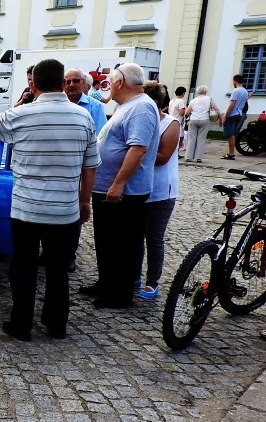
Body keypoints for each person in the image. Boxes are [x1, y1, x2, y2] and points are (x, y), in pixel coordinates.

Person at [0, 58, 100, 341]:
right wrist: (84, 202)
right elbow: (90, 166)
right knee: (59, 269)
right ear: (63, 84)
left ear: (32, 84)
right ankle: (56, 324)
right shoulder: (83, 117)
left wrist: (22, 104)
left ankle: (21, 325)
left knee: (23, 266)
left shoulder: (21, 115)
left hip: (27, 208)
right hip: (65, 209)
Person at [80, 63, 159, 309]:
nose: (107, 86)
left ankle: (120, 294)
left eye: (110, 81)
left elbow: (138, 149)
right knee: (106, 241)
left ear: (120, 82)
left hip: (124, 192)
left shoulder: (142, 107)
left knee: (123, 244)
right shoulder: (127, 106)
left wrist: (118, 184)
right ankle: (106, 283)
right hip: (108, 188)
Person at [136, 81, 179, 300]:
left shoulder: (171, 124)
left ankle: (152, 282)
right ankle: (134, 275)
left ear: (158, 104)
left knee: (154, 238)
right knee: (135, 236)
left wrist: (132, 153)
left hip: (161, 191)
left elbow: (162, 158)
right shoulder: (138, 121)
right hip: (137, 187)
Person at [183, 85, 220, 162]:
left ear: (198, 91)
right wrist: (221, 118)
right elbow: (216, 109)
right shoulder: (209, 99)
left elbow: (187, 112)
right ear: (206, 91)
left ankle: (188, 157)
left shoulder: (193, 100)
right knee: (201, 139)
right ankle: (198, 157)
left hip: (193, 119)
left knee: (191, 138)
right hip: (204, 119)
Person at [64, 68, 106, 135]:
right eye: (68, 82)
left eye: (75, 81)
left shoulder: (95, 106)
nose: (71, 85)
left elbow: (100, 135)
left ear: (83, 82)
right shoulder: (57, 105)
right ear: (63, 84)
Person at [221, 74, 247, 159]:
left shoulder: (235, 91)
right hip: (239, 113)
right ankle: (231, 152)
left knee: (230, 134)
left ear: (235, 81)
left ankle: (231, 153)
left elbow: (231, 105)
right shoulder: (245, 91)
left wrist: (225, 116)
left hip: (232, 114)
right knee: (233, 134)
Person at [168, 86, 188, 153]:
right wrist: (186, 110)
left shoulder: (172, 100)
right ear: (182, 93)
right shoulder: (181, 101)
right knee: (180, 137)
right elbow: (182, 112)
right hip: (178, 121)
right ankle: (177, 152)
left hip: (171, 120)